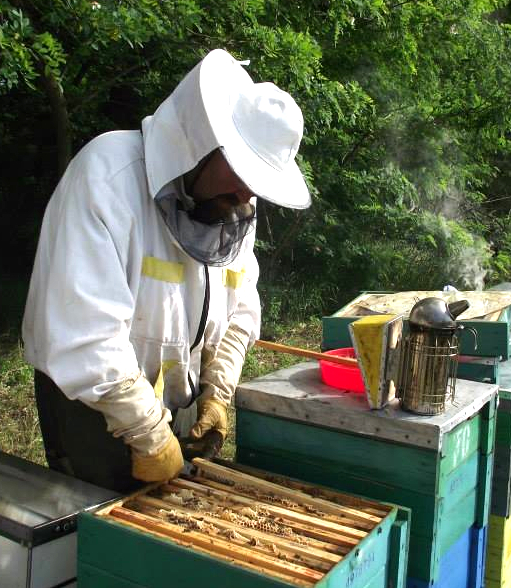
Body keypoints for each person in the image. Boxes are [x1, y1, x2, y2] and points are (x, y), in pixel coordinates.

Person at [21, 48, 311, 493]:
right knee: (97, 542)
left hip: (178, 399)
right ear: (199, 143)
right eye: (240, 173)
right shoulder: (108, 177)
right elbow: (84, 336)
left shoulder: (232, 205)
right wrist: (148, 432)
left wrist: (218, 390)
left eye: (256, 182)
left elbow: (240, 307)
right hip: (94, 403)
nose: (245, 195)